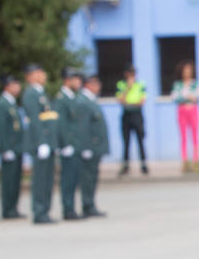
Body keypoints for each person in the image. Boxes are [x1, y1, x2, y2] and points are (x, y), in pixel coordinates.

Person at [22, 64, 58, 225]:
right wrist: (42, 142)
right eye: (38, 73)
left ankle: (45, 210)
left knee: (48, 179)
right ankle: (39, 211)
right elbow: (35, 120)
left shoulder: (40, 93)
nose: (43, 76)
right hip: (40, 144)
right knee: (40, 179)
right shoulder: (31, 94)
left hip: (48, 143)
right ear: (29, 76)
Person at [55, 68, 86, 221]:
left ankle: (71, 208)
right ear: (67, 80)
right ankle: (67, 209)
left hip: (76, 145)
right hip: (68, 146)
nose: (78, 82)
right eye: (76, 79)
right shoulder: (61, 99)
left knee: (74, 179)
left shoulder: (73, 98)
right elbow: (61, 124)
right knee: (67, 179)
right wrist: (65, 144)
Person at [0, 75, 25, 219]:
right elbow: (0, 128)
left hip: (17, 147)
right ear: (7, 86)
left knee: (16, 179)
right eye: (14, 84)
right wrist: (5, 148)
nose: (18, 87)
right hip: (9, 148)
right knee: (8, 180)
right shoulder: (2, 103)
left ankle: (13, 208)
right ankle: (7, 209)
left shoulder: (12, 103)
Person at [80, 75, 109, 217]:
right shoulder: (84, 101)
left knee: (92, 176)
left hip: (95, 147)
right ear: (88, 85)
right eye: (95, 84)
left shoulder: (91, 100)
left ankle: (90, 204)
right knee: (88, 177)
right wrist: (85, 146)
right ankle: (87, 204)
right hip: (89, 147)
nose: (98, 86)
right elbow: (84, 127)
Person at [116, 66, 149, 176]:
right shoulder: (121, 85)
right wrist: (128, 89)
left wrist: (130, 103)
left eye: (132, 74)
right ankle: (125, 165)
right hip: (126, 114)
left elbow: (142, 101)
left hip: (137, 114)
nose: (130, 77)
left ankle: (143, 165)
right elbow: (120, 100)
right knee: (126, 141)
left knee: (140, 140)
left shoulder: (140, 84)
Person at [172, 62, 199, 170]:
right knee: (183, 136)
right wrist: (187, 97)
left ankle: (196, 161)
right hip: (182, 111)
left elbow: (196, 97)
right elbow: (175, 97)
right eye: (185, 71)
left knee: (194, 136)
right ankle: (185, 161)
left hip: (193, 110)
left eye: (189, 71)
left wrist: (185, 97)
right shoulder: (178, 84)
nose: (187, 73)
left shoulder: (195, 84)